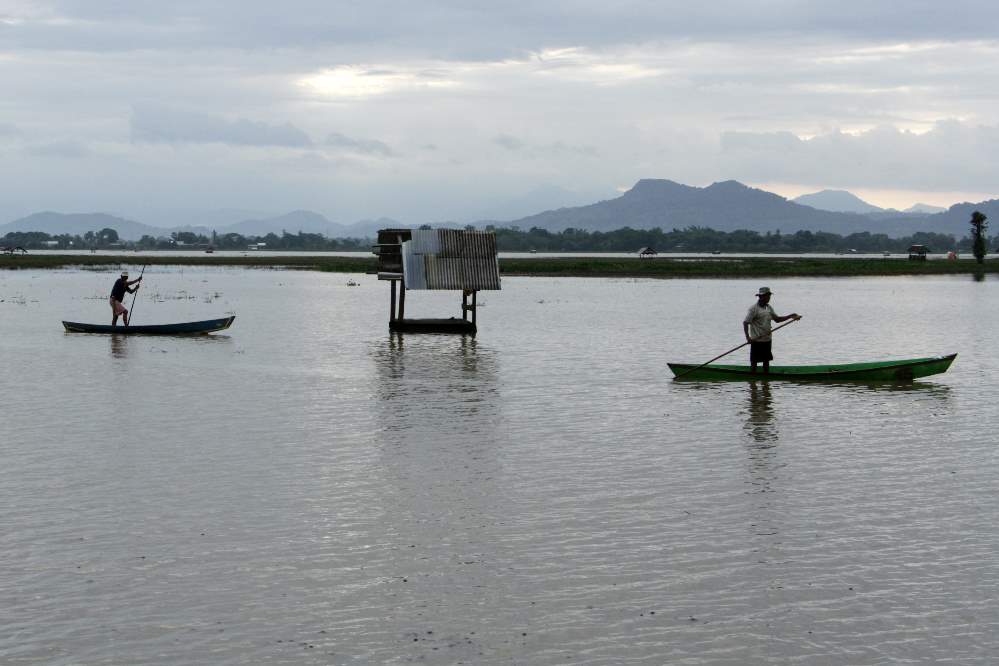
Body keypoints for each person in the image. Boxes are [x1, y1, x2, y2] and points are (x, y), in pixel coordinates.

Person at [742, 287, 801, 374]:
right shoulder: (753, 309)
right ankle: (753, 382)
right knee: (754, 363)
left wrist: (791, 316)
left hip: (767, 339)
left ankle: (765, 381)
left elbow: (777, 319)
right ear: (761, 297)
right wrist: (748, 338)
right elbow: (746, 323)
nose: (769, 298)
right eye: (767, 296)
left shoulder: (769, 308)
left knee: (766, 362)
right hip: (756, 340)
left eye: (769, 296)